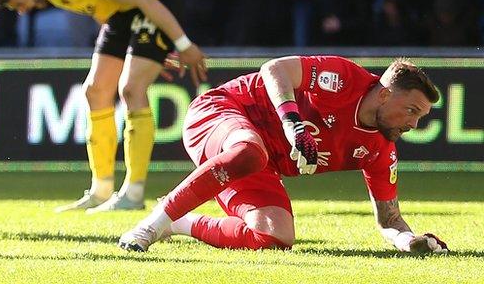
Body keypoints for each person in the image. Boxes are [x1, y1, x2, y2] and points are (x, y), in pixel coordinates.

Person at [118, 56, 450, 256]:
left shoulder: (380, 151)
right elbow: (275, 69)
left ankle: (179, 223)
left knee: (276, 236)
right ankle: (148, 227)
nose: (413, 124)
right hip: (223, 112)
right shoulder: (344, 80)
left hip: (259, 161)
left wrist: (409, 240)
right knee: (249, 150)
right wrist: (293, 125)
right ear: (385, 95)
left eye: (420, 117)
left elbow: (389, 220)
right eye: (411, 111)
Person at [0, 0, 207, 212]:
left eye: (19, 2)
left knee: (131, 88)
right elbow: (100, 5)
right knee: (95, 91)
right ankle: (101, 191)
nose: (22, 10)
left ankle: (133, 194)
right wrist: (149, 51)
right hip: (120, 11)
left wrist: (182, 44)